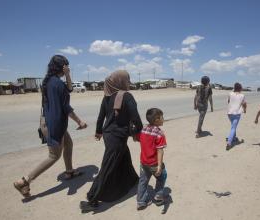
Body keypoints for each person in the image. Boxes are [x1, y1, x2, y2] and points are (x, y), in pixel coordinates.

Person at [13, 55, 87, 198]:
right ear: (62, 67)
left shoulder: (48, 82)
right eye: (66, 66)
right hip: (55, 123)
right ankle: (24, 181)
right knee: (54, 156)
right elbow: (66, 107)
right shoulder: (58, 84)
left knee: (69, 144)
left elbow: (69, 89)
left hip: (48, 120)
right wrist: (79, 121)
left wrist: (67, 75)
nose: (68, 68)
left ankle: (69, 171)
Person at [80, 70, 143, 212]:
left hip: (109, 135)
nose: (128, 81)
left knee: (124, 157)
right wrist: (137, 132)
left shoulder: (107, 96)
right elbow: (135, 118)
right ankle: (92, 198)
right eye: (127, 79)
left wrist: (98, 131)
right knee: (108, 166)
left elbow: (101, 117)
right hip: (118, 136)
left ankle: (132, 180)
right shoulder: (127, 96)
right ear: (122, 81)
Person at [135, 108, 168, 210]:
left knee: (143, 181)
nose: (163, 119)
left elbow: (137, 138)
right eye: (162, 117)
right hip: (154, 163)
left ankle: (141, 201)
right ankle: (158, 197)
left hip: (144, 162)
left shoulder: (143, 129)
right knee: (162, 176)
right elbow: (160, 151)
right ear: (157, 120)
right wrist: (159, 166)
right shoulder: (159, 133)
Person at [226, 82, 246, 150]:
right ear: (240, 88)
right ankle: (229, 143)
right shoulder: (242, 95)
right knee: (233, 128)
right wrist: (245, 109)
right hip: (237, 113)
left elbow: (228, 101)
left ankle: (234, 138)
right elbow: (244, 104)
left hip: (229, 113)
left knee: (233, 126)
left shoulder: (230, 93)